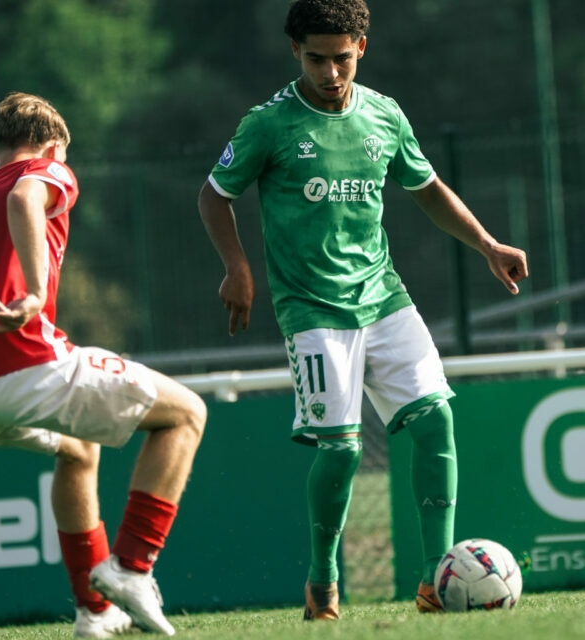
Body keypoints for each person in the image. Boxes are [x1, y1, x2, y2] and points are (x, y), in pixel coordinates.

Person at [196, 0, 527, 620]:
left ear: (362, 50)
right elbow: (214, 197)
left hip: (384, 296)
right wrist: (237, 268)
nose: (329, 72)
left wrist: (487, 244)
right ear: (295, 51)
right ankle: (323, 579)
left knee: (435, 423)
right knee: (343, 449)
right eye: (316, 58)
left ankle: (434, 579)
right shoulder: (268, 124)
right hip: (312, 309)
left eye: (341, 58)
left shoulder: (384, 114)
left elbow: (425, 187)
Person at [0, 92, 204, 638]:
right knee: (186, 414)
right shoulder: (44, 169)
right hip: (21, 365)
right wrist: (30, 292)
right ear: (53, 146)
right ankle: (131, 567)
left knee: (78, 448)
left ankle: (94, 612)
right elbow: (27, 198)